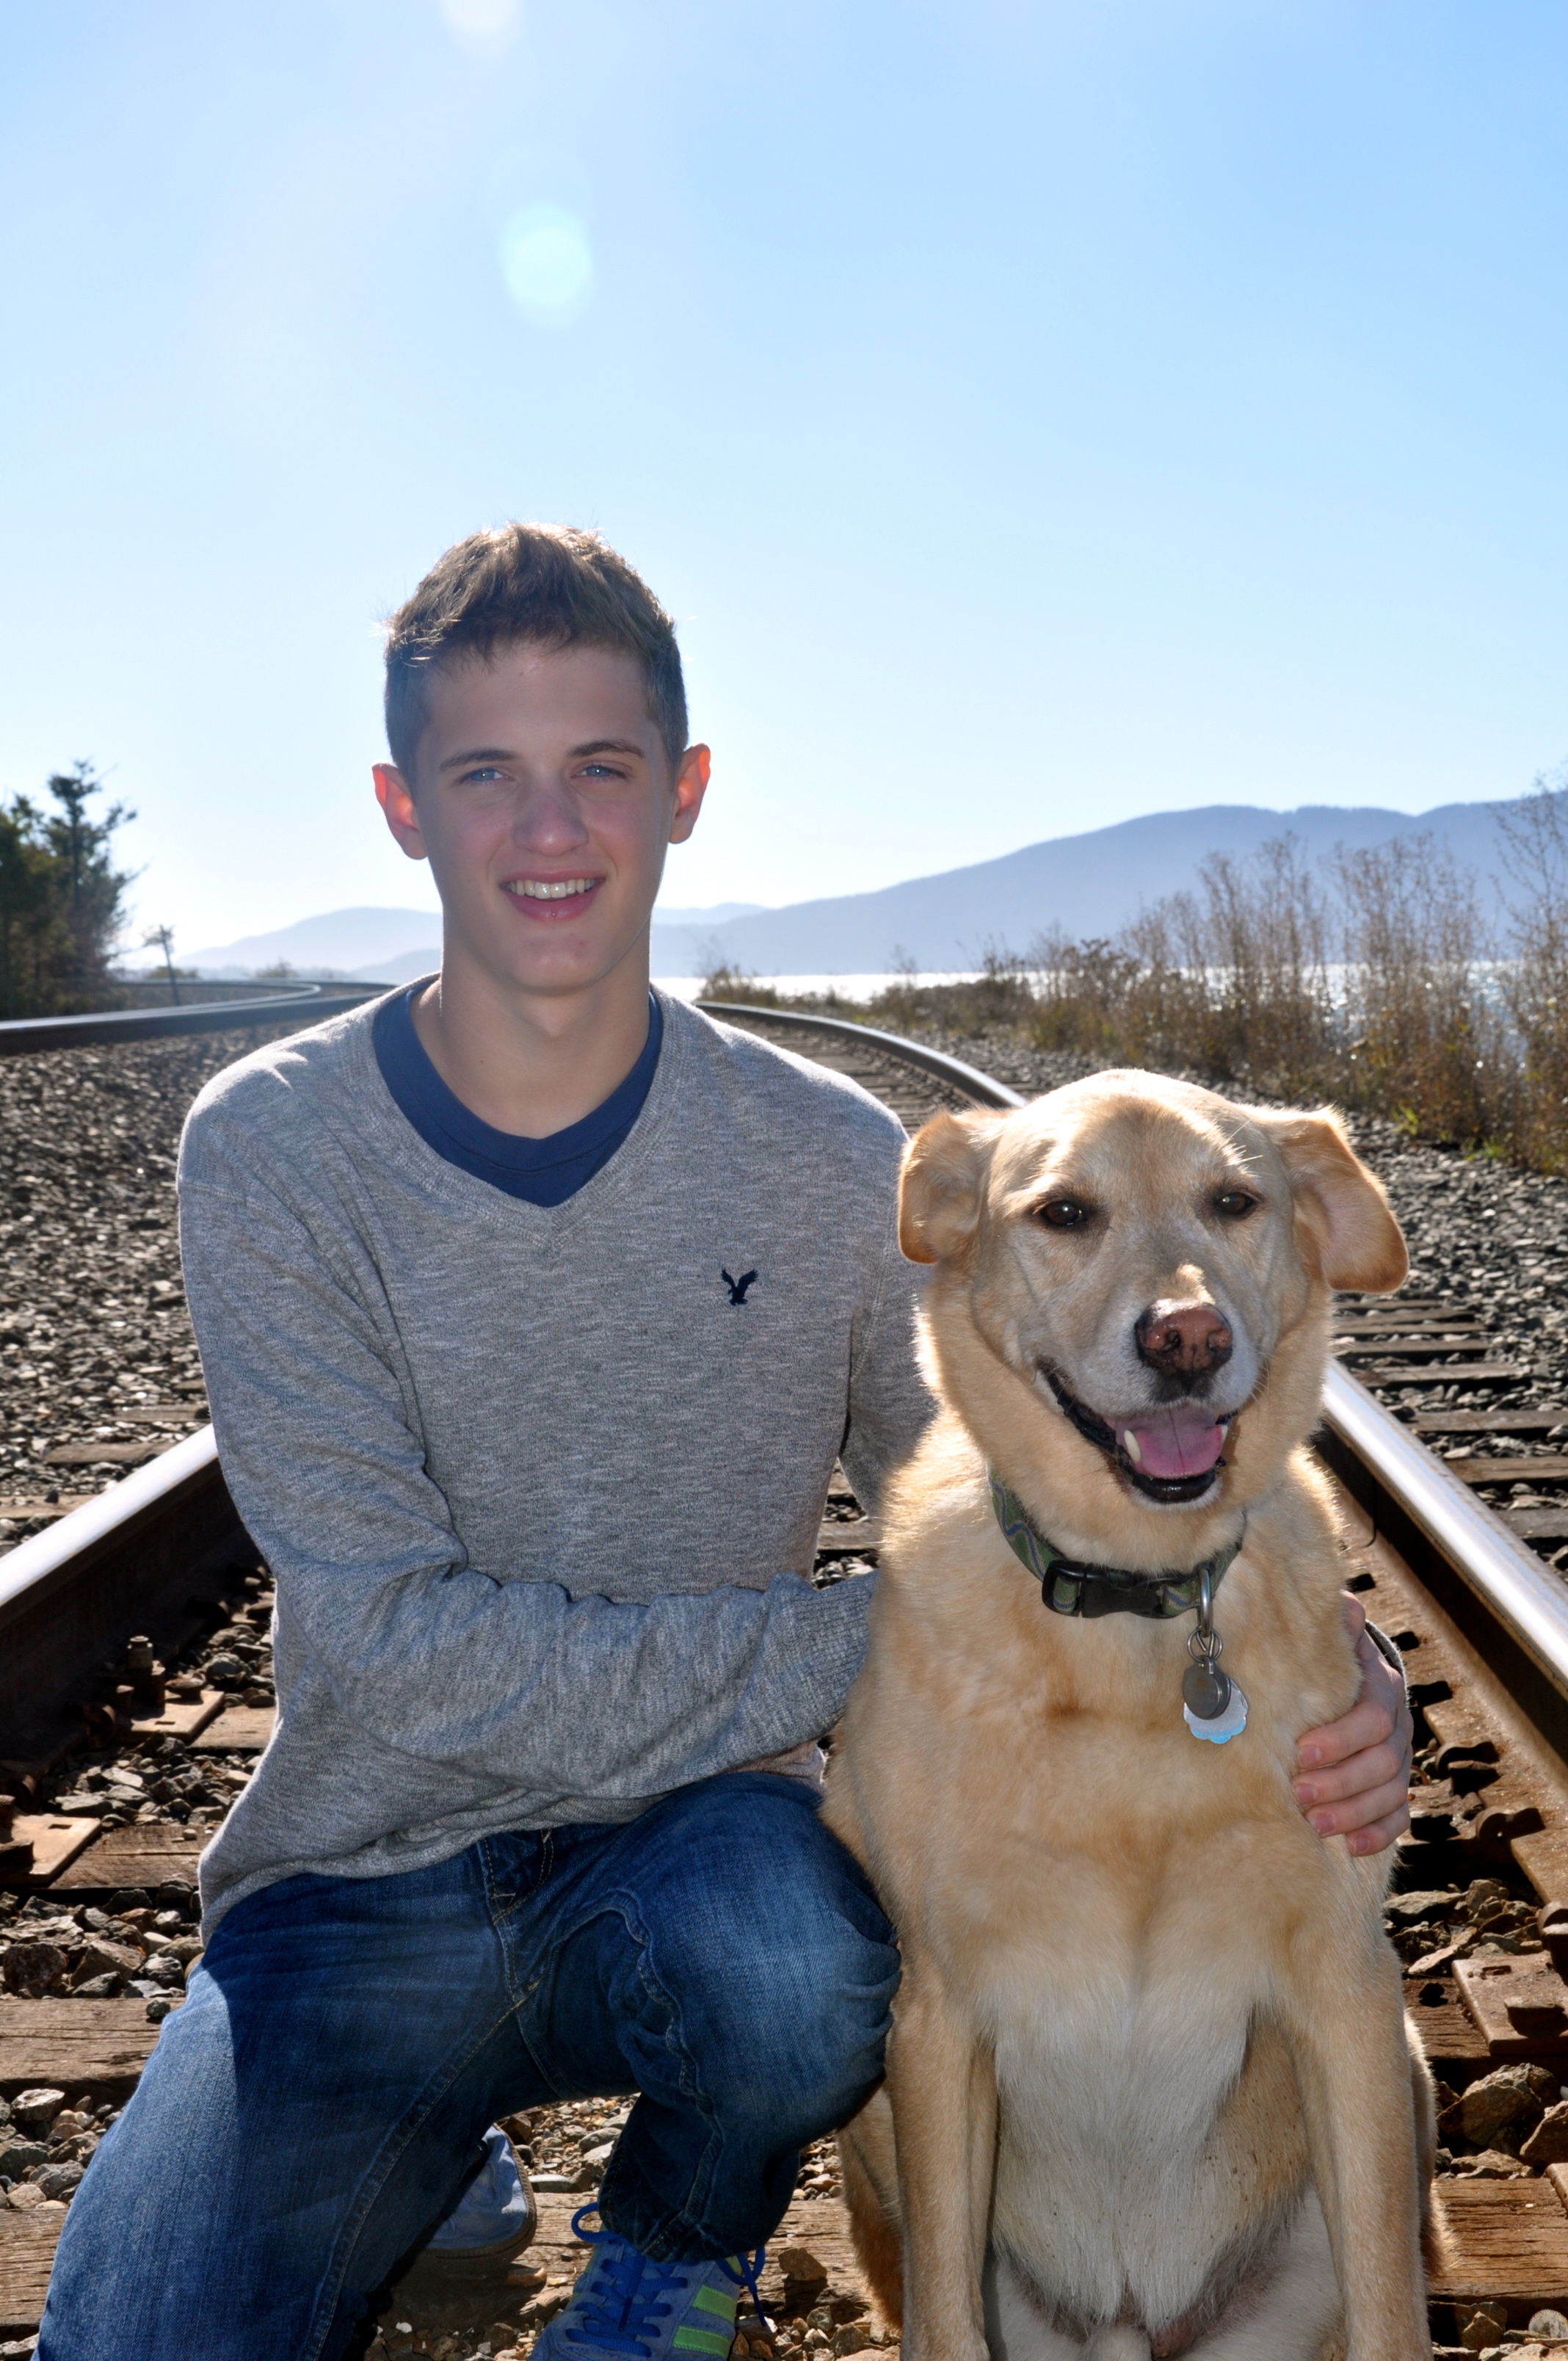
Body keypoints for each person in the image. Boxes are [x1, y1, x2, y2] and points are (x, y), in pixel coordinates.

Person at [36, 525, 1412, 2361]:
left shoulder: (831, 1156)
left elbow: (1047, 1507)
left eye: (602, 768)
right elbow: (396, 1653)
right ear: (401, 808)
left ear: (682, 793)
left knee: (809, 1967)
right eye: (486, 775)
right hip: (357, 1887)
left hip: (709, 1864)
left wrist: (1326, 1655)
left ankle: (679, 2248)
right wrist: (881, 1636)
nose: (550, 831)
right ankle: (423, 2139)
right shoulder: (272, 1147)